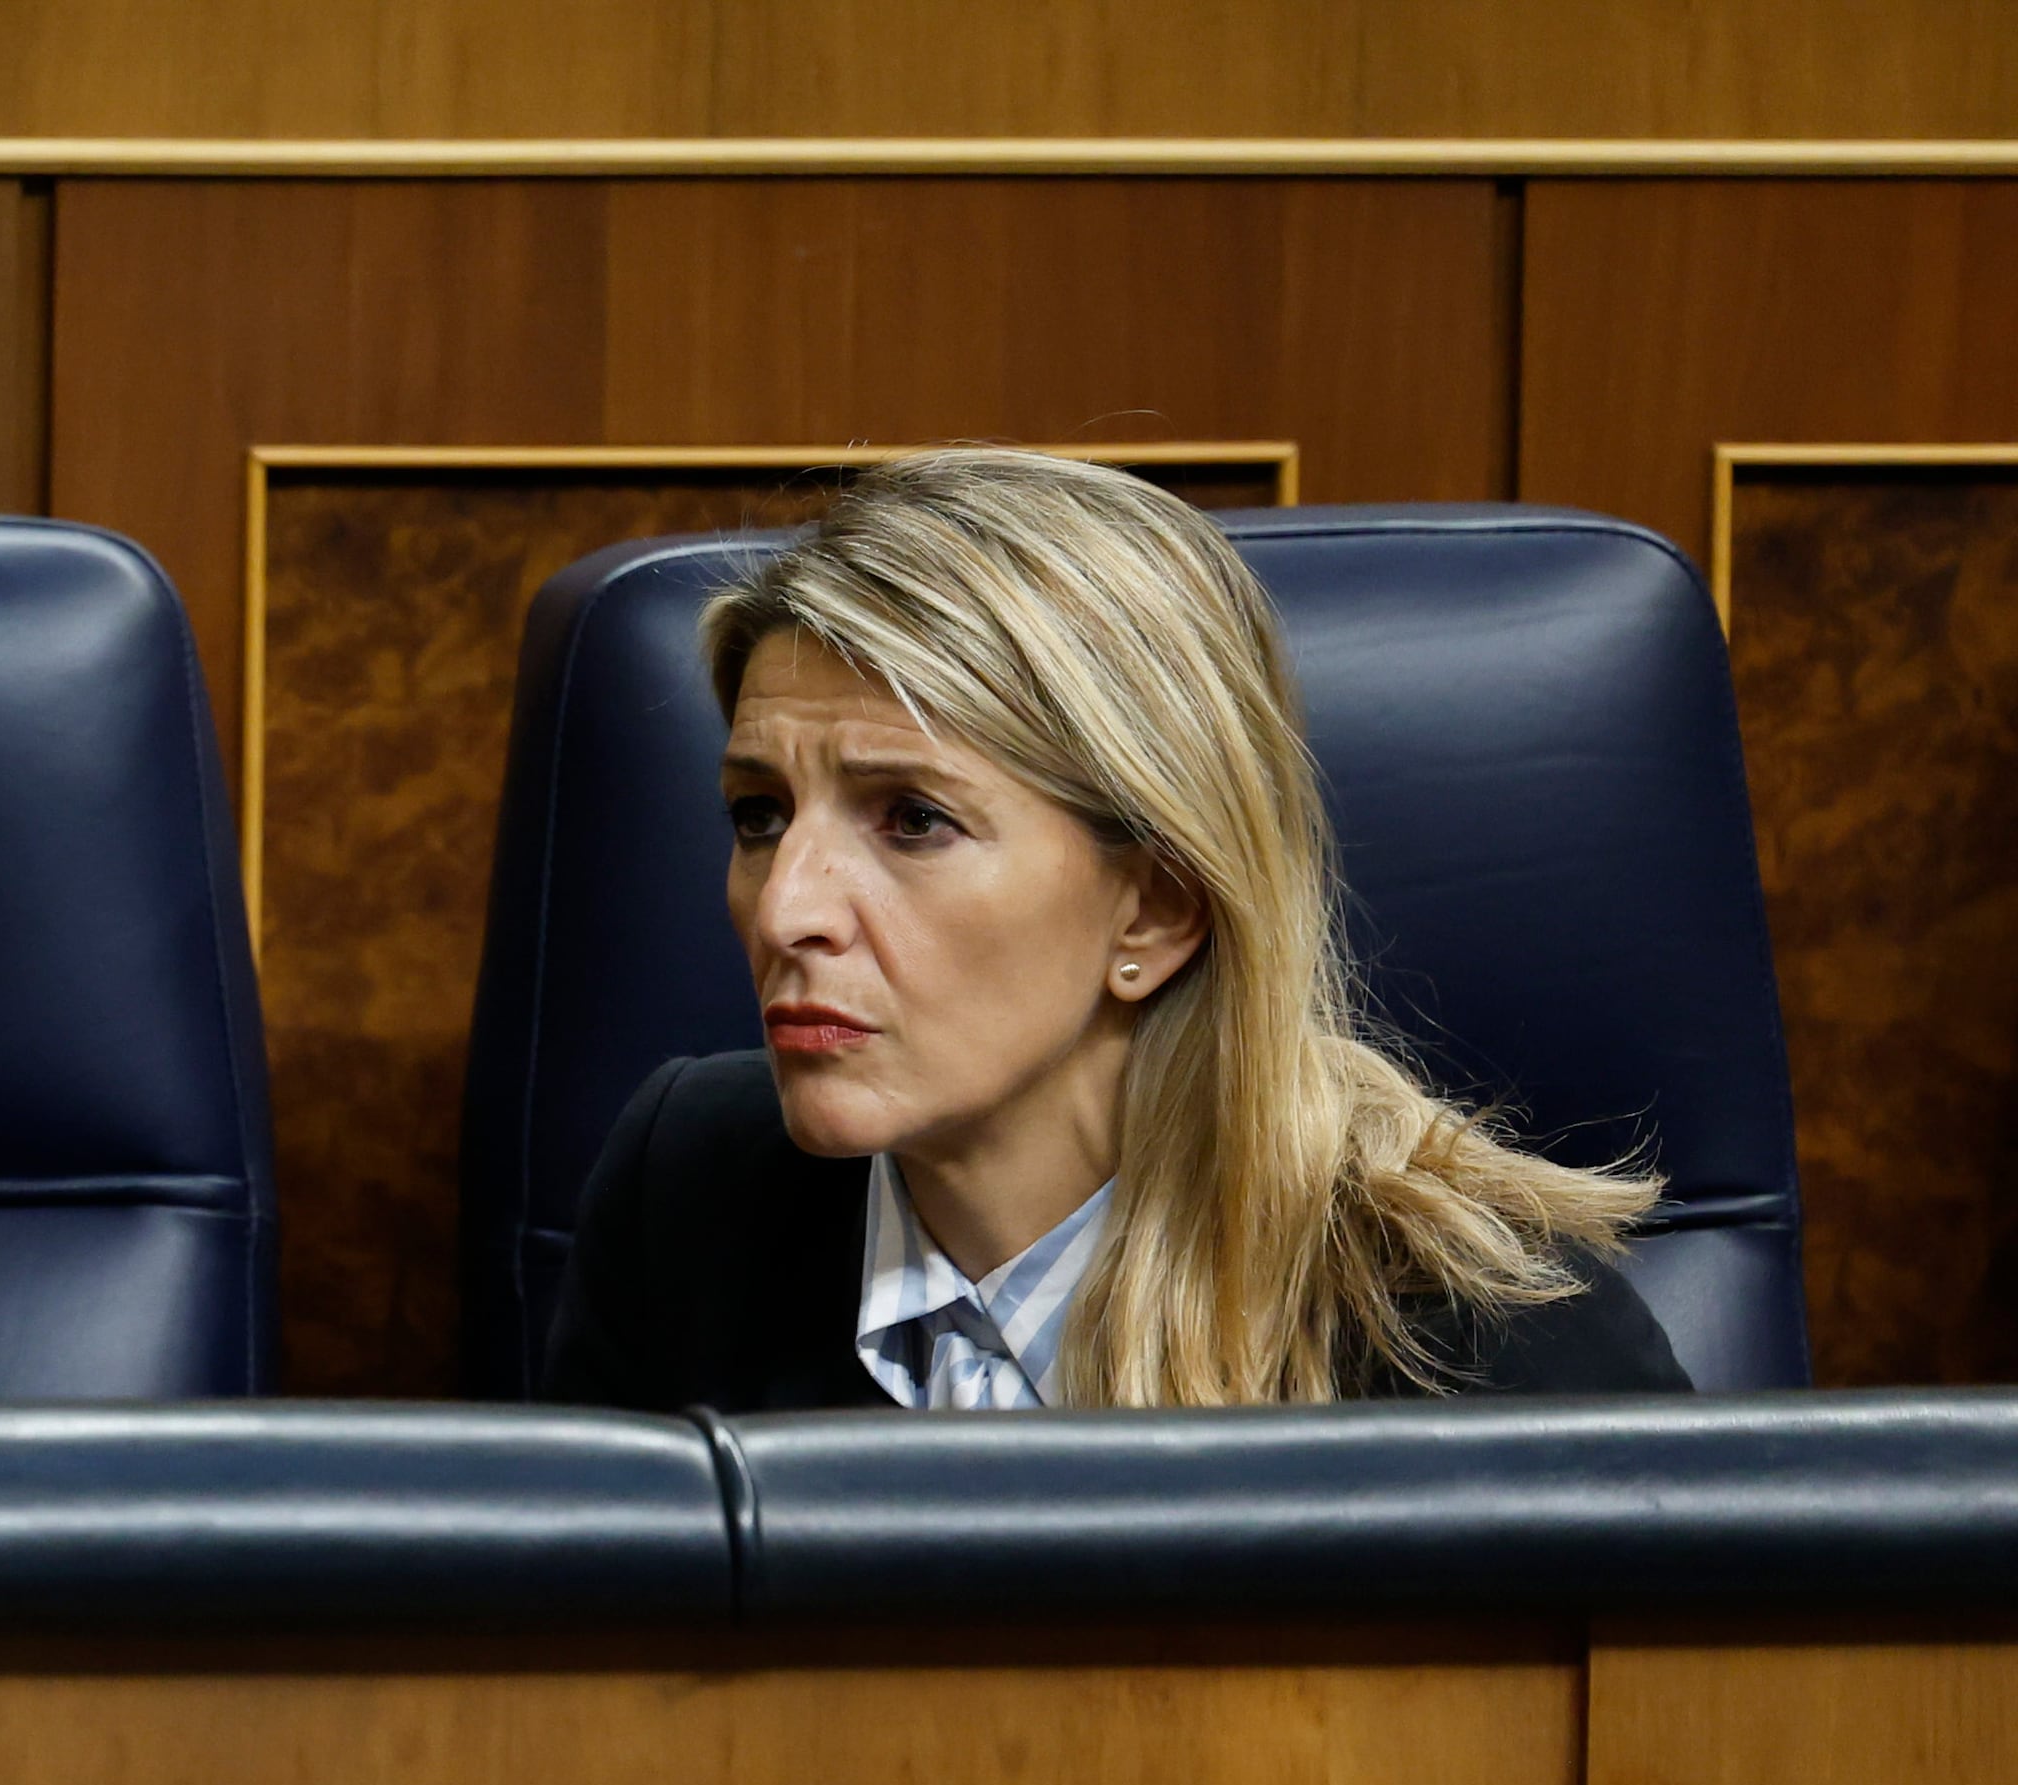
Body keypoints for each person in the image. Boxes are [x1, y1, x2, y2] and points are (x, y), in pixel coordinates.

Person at [540, 445, 1689, 1410]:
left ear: (1156, 906)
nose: (785, 908)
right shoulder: (686, 1193)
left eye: (912, 821)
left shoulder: (1480, 1338)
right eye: (757, 815)